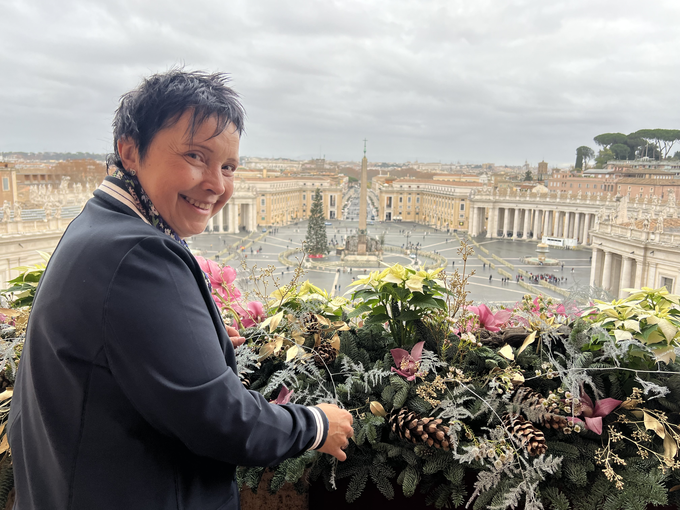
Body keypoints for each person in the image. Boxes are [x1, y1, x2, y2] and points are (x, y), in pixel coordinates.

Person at [8, 70, 353, 510]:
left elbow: (113, 350)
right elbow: (222, 420)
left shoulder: (96, 226)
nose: (217, 183)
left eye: (228, 167)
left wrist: (189, 340)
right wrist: (315, 425)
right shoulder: (138, 254)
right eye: (195, 155)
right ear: (130, 150)